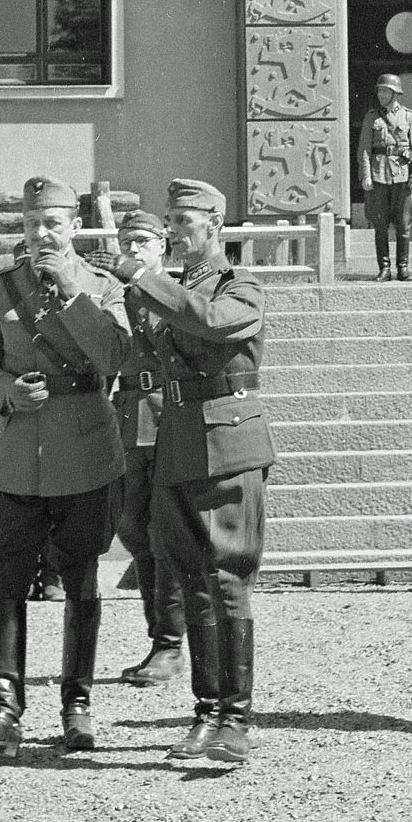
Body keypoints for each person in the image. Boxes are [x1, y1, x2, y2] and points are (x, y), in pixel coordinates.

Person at [0, 176, 133, 764]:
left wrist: (69, 290)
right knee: (9, 584)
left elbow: (114, 355)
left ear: (75, 227)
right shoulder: (2, 288)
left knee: (80, 582)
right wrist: (6, 391)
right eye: (33, 224)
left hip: (84, 454)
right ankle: (4, 710)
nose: (42, 234)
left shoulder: (103, 288)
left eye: (54, 224)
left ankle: (76, 707)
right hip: (14, 458)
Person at [112, 177, 273, 769]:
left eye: (185, 220)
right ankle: (207, 714)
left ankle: (235, 719)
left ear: (216, 226)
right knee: (192, 578)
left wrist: (146, 281)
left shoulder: (241, 285)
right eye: (171, 221)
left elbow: (209, 322)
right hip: (178, 438)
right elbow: (151, 349)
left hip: (228, 442)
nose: (175, 230)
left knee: (227, 578)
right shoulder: (167, 290)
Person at [111, 209, 187, 685]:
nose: (133, 249)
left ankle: (169, 644)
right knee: (133, 529)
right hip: (127, 414)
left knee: (165, 533)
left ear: (162, 246)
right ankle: (157, 637)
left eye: (142, 241)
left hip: (168, 414)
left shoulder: (177, 293)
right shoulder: (115, 296)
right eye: (126, 242)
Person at [357, 71, 412, 281]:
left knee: (403, 224)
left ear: (395, 93)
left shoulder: (408, 116)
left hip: (402, 176)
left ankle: (403, 268)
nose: (381, 94)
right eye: (379, 90)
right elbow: (364, 149)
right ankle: (384, 268)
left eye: (385, 91)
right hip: (378, 176)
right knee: (380, 225)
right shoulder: (372, 117)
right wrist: (366, 175)